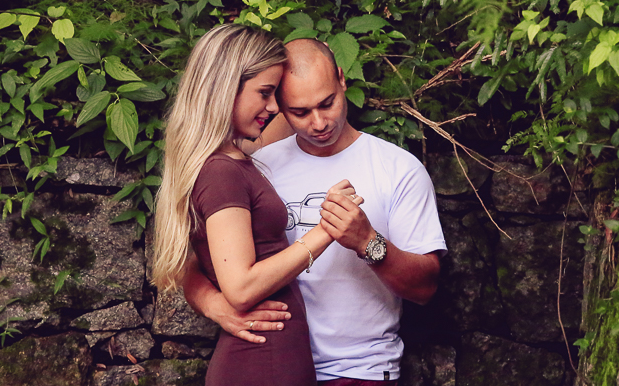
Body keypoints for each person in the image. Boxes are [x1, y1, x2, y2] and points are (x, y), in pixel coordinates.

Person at [185, 37, 447, 384]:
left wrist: (368, 243)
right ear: (278, 104)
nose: (320, 122)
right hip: (275, 361)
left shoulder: (397, 169)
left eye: (328, 103)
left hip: (358, 370)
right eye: (301, 112)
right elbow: (189, 257)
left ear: (342, 79)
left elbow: (425, 287)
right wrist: (214, 304)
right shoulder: (256, 167)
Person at [153, 25, 354, 386]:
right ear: (225, 88)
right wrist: (326, 231)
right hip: (263, 364)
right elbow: (241, 286)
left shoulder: (232, 155)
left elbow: (299, 115)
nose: (274, 107)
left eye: (275, 94)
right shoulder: (221, 171)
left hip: (271, 360)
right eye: (265, 93)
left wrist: (317, 59)